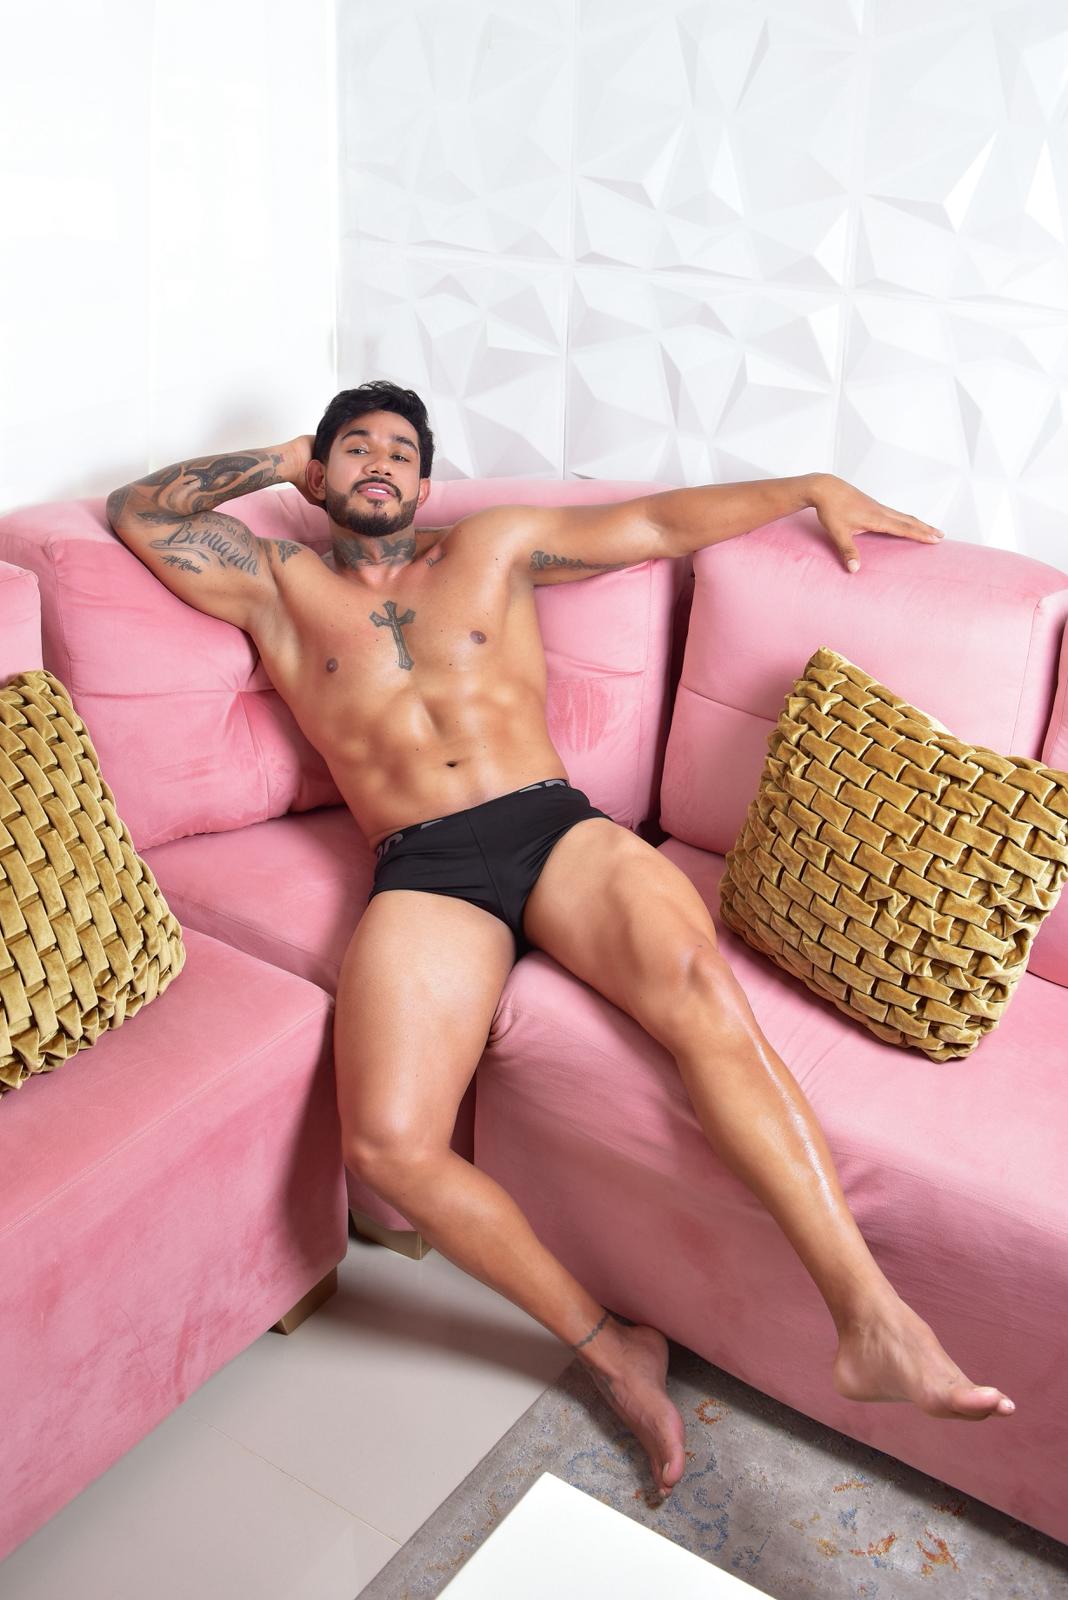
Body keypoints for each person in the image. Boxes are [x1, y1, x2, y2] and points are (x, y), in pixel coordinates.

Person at [105, 380, 1015, 1504]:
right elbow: (139, 512)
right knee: (386, 1147)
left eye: (401, 451)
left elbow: (658, 525)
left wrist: (808, 485)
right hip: (424, 869)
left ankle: (871, 1317)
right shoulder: (277, 583)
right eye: (355, 448)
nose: (379, 462)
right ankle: (611, 1349)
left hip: (553, 828)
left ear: (427, 483)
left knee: (700, 996)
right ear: (322, 471)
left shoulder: (493, 548)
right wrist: (286, 452)